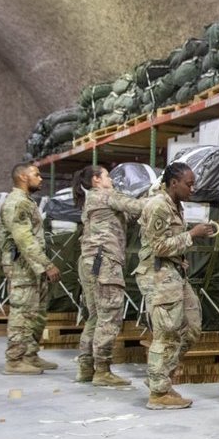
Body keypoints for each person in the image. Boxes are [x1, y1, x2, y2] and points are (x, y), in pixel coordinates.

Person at [135, 162, 215, 410]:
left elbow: (165, 244)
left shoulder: (174, 205)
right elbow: (158, 246)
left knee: (191, 327)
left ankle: (159, 377)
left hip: (173, 273)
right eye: (189, 184)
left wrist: (179, 258)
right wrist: (193, 234)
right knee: (167, 332)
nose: (193, 188)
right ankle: (159, 393)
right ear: (173, 183)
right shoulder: (158, 205)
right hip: (158, 277)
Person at [72, 165, 144, 387]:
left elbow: (128, 215)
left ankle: (86, 368)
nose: (111, 180)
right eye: (107, 176)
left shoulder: (93, 200)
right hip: (104, 262)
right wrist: (159, 197)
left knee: (95, 316)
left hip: (92, 261)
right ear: (96, 180)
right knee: (109, 315)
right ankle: (102, 370)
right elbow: (138, 206)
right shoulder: (105, 195)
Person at [0, 163, 62, 375]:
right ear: (23, 177)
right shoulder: (16, 203)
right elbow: (24, 239)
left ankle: (30, 355)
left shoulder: (27, 202)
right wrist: (47, 264)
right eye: (36, 174)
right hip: (22, 267)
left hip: (32, 267)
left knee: (35, 313)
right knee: (22, 313)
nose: (41, 178)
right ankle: (14, 360)